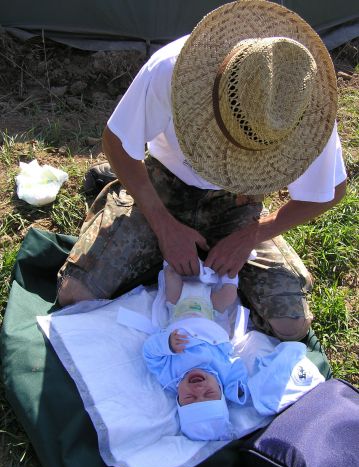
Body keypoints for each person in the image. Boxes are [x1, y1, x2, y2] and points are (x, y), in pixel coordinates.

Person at [57, 1, 347, 342]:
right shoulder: (172, 69)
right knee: (76, 294)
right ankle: (125, 202)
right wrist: (164, 226)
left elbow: (332, 190)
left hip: (237, 205)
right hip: (164, 185)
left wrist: (252, 235)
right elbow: (116, 141)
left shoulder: (300, 101)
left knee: (291, 325)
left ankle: (198, 258)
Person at [143, 263, 248, 441]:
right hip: (210, 310)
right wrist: (238, 390)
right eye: (209, 394)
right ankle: (230, 270)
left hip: (180, 307)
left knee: (171, 275)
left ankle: (175, 257)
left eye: (190, 397)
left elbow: (149, 353)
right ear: (220, 390)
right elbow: (237, 367)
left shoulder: (169, 376)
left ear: (178, 399)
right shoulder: (223, 374)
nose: (199, 389)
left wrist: (166, 344)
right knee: (229, 295)